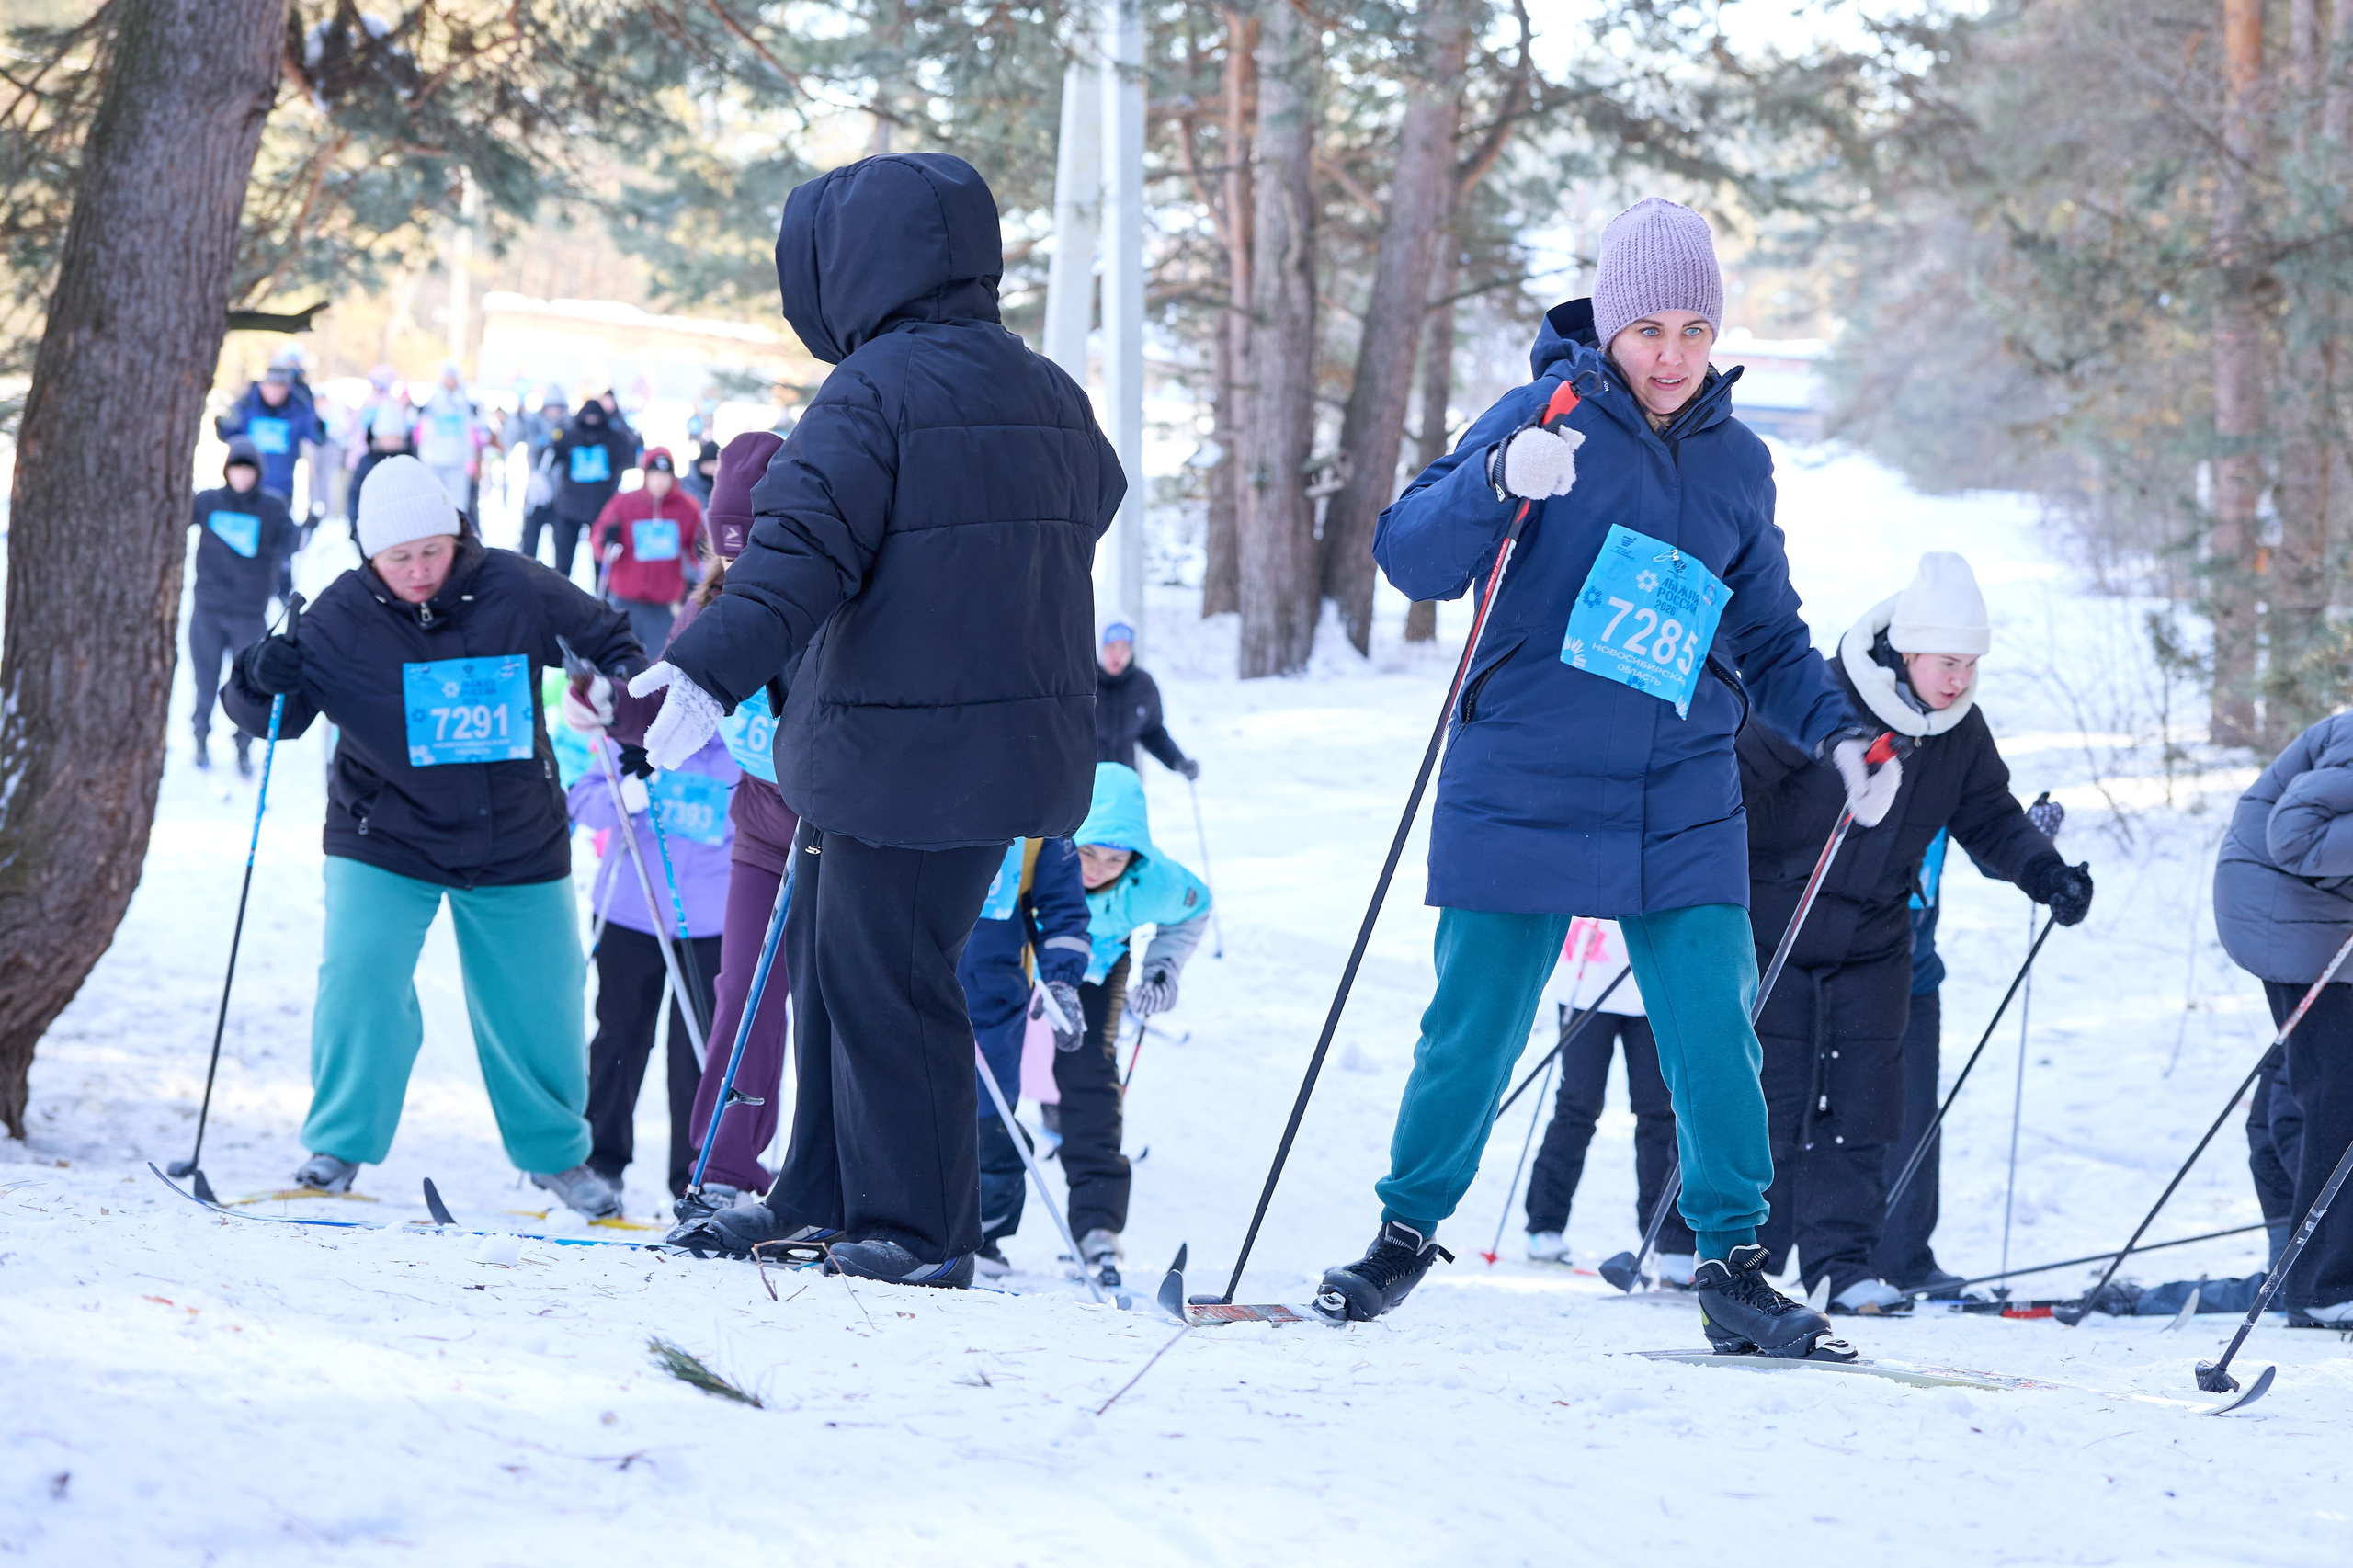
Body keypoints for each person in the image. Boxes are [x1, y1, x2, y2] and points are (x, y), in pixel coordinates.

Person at [1338, 199, 1900, 1360]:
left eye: (1696, 328)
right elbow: (1409, 552)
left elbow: (1772, 637)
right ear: (1607, 321)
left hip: (1678, 781)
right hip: (1524, 766)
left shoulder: (1740, 464)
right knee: (1473, 1026)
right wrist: (1498, 475)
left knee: (1711, 1025)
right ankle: (1404, 1230)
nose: (1673, 352)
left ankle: (1733, 1262)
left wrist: (1840, 737)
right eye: (1648, 326)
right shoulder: (1541, 415)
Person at [634, 153, 1122, 1287]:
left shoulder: (872, 392)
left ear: (851, 267)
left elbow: (796, 554)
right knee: (837, 957)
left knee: (885, 974)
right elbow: (1091, 496)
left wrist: (704, 667)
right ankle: (821, 1192)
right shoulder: (1047, 386)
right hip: (997, 743)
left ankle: (917, 1227)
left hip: (907, 747)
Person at [219, 454, 646, 1217]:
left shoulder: (515, 585)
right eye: (397, 558)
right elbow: (264, 718)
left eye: (430, 552)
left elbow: (609, 635)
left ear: (456, 536)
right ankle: (338, 1144)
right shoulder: (340, 616)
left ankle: (559, 1158)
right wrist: (258, 675)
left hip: (515, 830)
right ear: (368, 556)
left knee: (543, 1000)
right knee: (360, 979)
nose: (416, 571)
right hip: (385, 832)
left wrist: (608, 683)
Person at [1736, 551, 2088, 1313]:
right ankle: (1742, 1260)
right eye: (1947, 662)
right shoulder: (1818, 695)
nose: (1959, 679)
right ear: (1907, 650)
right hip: (1777, 927)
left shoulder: (1958, 732)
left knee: (1867, 1103)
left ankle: (1843, 1263)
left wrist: (2046, 874)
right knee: (1774, 1095)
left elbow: (1990, 817)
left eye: (1971, 664)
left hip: (1877, 938)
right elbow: (1727, 780)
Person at [2210, 710, 2353, 1325]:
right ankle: (2322, 1289)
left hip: (2322, 915)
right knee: (2337, 1094)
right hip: (2284, 914)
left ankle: (2312, 1273)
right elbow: (2291, 835)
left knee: (2320, 1091)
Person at [1057, 763, 1211, 1288]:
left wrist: (1162, 969)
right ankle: (985, 1218)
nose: (1099, 868)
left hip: (1097, 966)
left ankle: (1097, 1222)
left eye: (1115, 858)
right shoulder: (1039, 857)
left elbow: (1195, 909)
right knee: (996, 1077)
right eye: (1088, 853)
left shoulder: (1156, 880)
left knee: (1091, 1075)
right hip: (1027, 960)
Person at [567, 729, 735, 1199]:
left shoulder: (746, 747)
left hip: (712, 919)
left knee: (697, 1052)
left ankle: (694, 1174)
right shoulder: (637, 733)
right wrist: (626, 793)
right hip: (631, 909)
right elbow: (582, 801)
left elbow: (769, 819)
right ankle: (601, 1159)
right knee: (620, 1035)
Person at [1522, 917, 1696, 1282]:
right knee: (1576, 1106)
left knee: (1659, 1115)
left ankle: (1661, 1237)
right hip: (1588, 980)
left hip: (1651, 986)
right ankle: (1544, 1223)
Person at [960, 834, 1091, 1274]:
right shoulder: (916, 779)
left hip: (990, 991)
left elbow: (1063, 909)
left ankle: (982, 1231)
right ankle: (878, 1209)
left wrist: (1061, 981)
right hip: (905, 974)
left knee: (986, 1111)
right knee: (894, 1096)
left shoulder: (1040, 820)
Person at [1872, 830, 1965, 1293]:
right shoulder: (1845, 759)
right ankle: (1766, 1251)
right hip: (1839, 965)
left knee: (1915, 1119)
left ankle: (1904, 1258)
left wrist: (2039, 855)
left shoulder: (1950, 766)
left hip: (1916, 975)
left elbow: (1990, 834)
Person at [187, 437, 299, 777]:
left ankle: (243, 746)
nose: (242, 477)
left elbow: (289, 545)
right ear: (227, 470)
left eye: (248, 471)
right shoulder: (207, 502)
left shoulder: (272, 508)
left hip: (249, 614)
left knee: (248, 687)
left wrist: (304, 531)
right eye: (236, 469)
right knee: (205, 683)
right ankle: (200, 739)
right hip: (208, 610)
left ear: (258, 474)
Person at [590, 447, 705, 653]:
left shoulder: (687, 507)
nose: (659, 481)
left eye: (665, 475)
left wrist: (701, 553)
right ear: (645, 475)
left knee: (661, 662)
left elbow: (700, 551)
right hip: (626, 598)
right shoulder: (624, 502)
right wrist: (605, 540)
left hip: (665, 603)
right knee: (620, 658)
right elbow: (598, 541)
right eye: (654, 474)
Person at [546, 398, 635, 581]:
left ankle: (602, 602)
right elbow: (552, 457)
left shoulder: (614, 438)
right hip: (569, 506)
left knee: (601, 562)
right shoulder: (569, 436)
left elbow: (628, 457)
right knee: (563, 563)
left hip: (601, 507)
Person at [1095, 621, 1198, 779]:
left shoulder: (1143, 686)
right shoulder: (1082, 685)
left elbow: (1152, 732)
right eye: (1111, 647)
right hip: (1085, 788)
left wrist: (1177, 760)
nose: (1118, 655)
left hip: (1124, 782)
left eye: (1124, 647)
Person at [216, 360, 325, 504]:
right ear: (262, 385)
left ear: (288, 388)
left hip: (281, 490)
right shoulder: (246, 405)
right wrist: (221, 422)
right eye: (272, 385)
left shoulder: (297, 409)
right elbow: (228, 436)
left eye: (280, 386)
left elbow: (317, 437)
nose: (275, 391)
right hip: (246, 488)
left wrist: (310, 406)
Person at [415, 360, 481, 510]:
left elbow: (474, 427)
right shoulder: (433, 399)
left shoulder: (466, 401)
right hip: (434, 458)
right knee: (434, 501)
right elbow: (419, 421)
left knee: (456, 503)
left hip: (458, 460)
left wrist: (471, 457)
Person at [351, 403, 415, 519]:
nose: (390, 442)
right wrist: (355, 524)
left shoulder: (409, 461)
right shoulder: (367, 461)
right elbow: (355, 494)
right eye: (386, 437)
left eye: (394, 437)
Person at [682, 438, 722, 508]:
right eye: (708, 464)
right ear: (700, 464)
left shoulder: (723, 487)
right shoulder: (686, 485)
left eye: (715, 464)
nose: (712, 468)